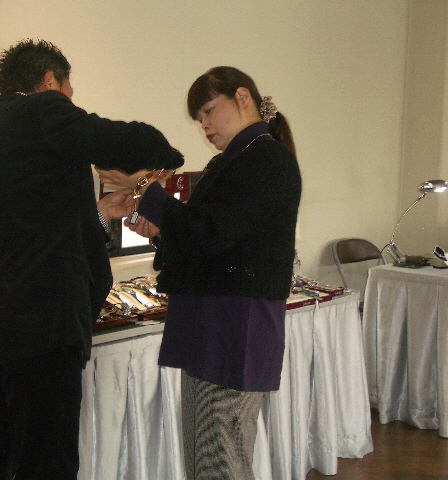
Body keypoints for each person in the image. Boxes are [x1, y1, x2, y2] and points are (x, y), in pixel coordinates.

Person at [0, 39, 183, 480]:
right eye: (69, 95)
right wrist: (163, 162)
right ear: (49, 81)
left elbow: (26, 228)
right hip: (38, 328)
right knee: (47, 465)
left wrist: (102, 212)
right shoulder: (41, 110)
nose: (71, 106)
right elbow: (122, 139)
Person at [96, 66, 301, 479]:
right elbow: (203, 239)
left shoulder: (266, 158)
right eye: (198, 118)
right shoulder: (228, 163)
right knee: (203, 453)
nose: (204, 125)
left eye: (208, 111)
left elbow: (211, 232)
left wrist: (147, 188)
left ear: (242, 98)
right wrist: (160, 229)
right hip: (212, 321)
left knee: (222, 456)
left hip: (236, 324)